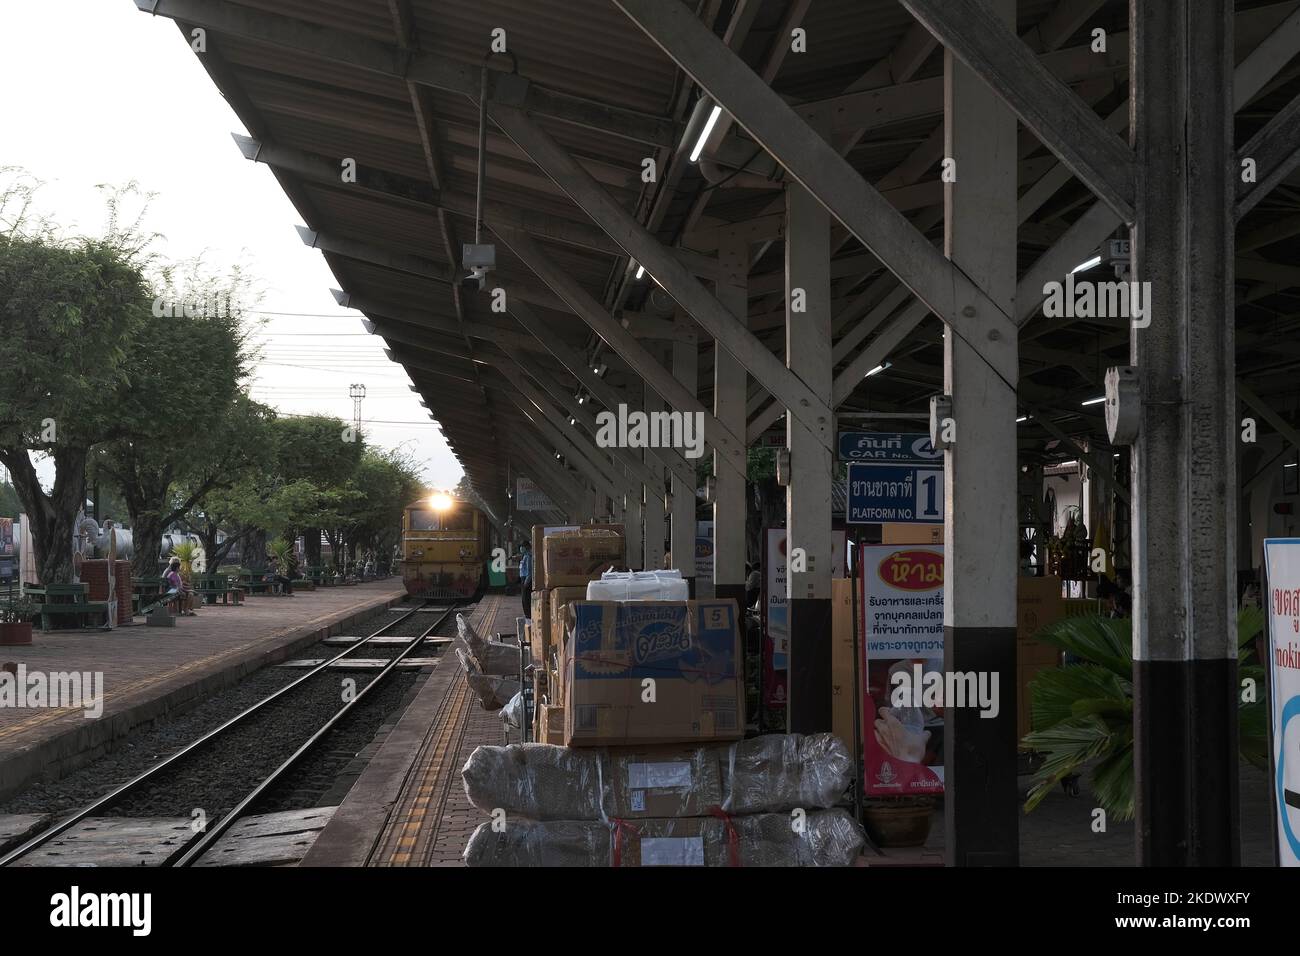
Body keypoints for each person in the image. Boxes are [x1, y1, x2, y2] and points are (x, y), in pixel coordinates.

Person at [519, 543, 533, 617]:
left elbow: (529, 571)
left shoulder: (528, 556)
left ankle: (528, 615)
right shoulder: (524, 556)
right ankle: (527, 614)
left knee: (526, 599)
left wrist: (526, 582)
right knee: (524, 599)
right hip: (523, 579)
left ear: (526, 547)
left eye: (522, 546)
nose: (521, 548)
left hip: (526, 580)